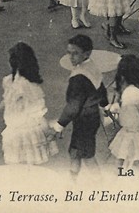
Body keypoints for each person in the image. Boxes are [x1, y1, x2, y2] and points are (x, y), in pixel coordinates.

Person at [51, 35, 108, 179]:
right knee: (76, 151)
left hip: (83, 120)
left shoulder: (78, 77)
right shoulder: (91, 66)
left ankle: (98, 183)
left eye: (75, 53)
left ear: (87, 53)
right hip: (92, 117)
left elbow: (73, 106)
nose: (71, 57)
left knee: (87, 155)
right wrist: (105, 105)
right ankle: (72, 178)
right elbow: (101, 87)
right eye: (69, 53)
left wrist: (59, 126)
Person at [0, 42, 58, 165]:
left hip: (24, 131)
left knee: (22, 164)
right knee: (24, 165)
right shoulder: (12, 81)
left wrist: (48, 131)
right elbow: (8, 100)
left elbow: (37, 112)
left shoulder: (23, 84)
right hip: (19, 130)